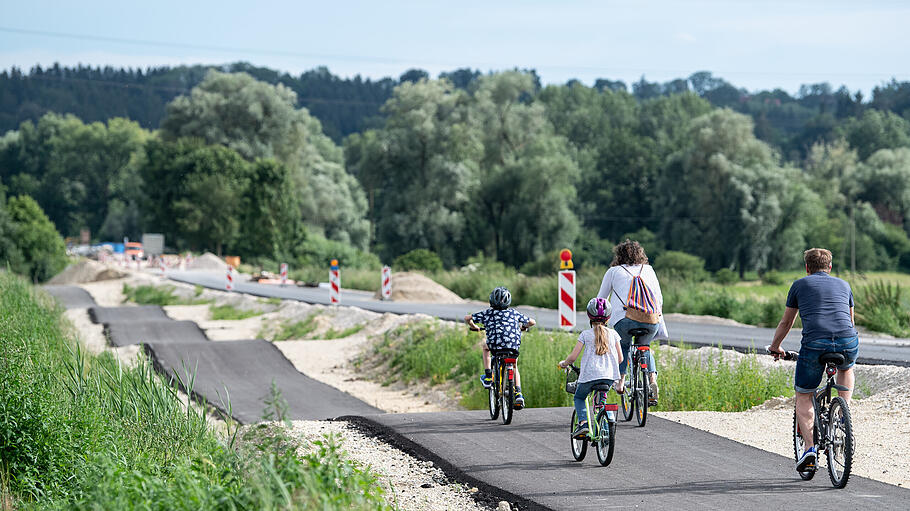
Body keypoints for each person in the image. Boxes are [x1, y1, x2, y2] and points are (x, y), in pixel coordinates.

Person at [768, 248, 859, 473]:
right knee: (846, 367)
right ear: (829, 267)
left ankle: (809, 449)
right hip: (848, 342)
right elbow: (850, 321)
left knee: (804, 394)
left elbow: (786, 322)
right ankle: (842, 411)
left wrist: (775, 347)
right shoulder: (844, 285)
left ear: (807, 268)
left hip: (815, 345)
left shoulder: (799, 285)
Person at [596, 239, 667, 402]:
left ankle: (621, 381)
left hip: (624, 320)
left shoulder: (613, 272)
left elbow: (601, 300)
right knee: (645, 347)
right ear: (640, 254)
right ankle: (652, 381)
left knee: (624, 346)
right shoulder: (649, 270)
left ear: (619, 256)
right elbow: (659, 298)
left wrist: (599, 321)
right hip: (651, 319)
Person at [558, 297, 623, 438]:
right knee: (601, 401)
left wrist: (564, 363)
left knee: (579, 397)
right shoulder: (614, 334)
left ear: (589, 316)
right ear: (608, 317)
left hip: (589, 376)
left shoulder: (585, 334)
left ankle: (583, 424)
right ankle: (604, 422)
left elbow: (573, 357)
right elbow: (621, 359)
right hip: (609, 377)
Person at [465, 286, 536, 409]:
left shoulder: (487, 313)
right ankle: (518, 393)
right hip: (512, 346)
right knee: (514, 366)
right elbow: (532, 322)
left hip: (495, 346)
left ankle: (488, 376)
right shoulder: (514, 312)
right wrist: (523, 327)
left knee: (485, 348)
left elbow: (467, 318)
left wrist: (474, 326)